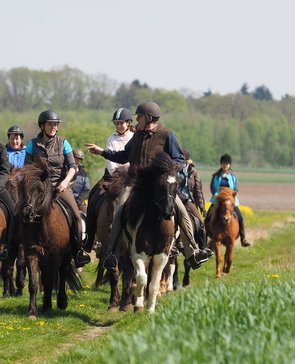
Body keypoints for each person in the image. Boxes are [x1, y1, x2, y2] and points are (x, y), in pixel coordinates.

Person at [85, 101, 213, 270]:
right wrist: (103, 152)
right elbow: (124, 156)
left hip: (157, 186)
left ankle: (192, 252)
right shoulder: (137, 135)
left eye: (139, 116)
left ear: (149, 118)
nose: (136, 119)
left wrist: (164, 171)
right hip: (134, 184)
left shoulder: (167, 135)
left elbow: (179, 159)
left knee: (182, 211)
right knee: (119, 212)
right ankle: (112, 254)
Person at [20, 109, 91, 267]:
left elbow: (73, 167)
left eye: (55, 124)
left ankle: (78, 250)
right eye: (50, 124)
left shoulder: (63, 143)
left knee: (77, 217)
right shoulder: (32, 145)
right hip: (38, 189)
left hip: (60, 187)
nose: (53, 127)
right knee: (19, 212)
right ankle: (10, 247)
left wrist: (65, 182)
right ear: (42, 125)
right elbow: (27, 168)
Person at [84, 108, 135, 251]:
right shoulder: (111, 139)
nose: (119, 126)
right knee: (94, 195)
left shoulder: (134, 138)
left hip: (131, 178)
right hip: (112, 178)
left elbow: (133, 160)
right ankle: (89, 237)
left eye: (121, 123)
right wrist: (120, 172)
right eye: (116, 123)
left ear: (129, 122)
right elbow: (111, 163)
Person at [206, 153, 250, 247]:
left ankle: (243, 238)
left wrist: (229, 197)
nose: (225, 165)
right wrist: (218, 196)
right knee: (208, 217)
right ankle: (204, 239)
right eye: (223, 164)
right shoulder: (216, 176)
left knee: (240, 218)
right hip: (217, 200)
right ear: (221, 164)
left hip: (230, 201)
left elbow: (236, 188)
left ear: (229, 165)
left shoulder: (233, 176)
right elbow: (213, 188)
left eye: (227, 164)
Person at [177, 149, 208, 250]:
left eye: (183, 161)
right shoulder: (173, 170)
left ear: (187, 161)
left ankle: (203, 249)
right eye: (180, 161)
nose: (181, 163)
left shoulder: (193, 172)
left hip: (187, 201)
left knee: (201, 223)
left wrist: (202, 207)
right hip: (175, 200)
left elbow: (198, 191)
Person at [72, 148, 90, 214]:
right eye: (76, 158)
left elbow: (86, 189)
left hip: (79, 201)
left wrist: (78, 201)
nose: (78, 161)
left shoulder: (84, 174)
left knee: (86, 216)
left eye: (80, 159)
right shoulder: (64, 171)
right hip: (66, 200)